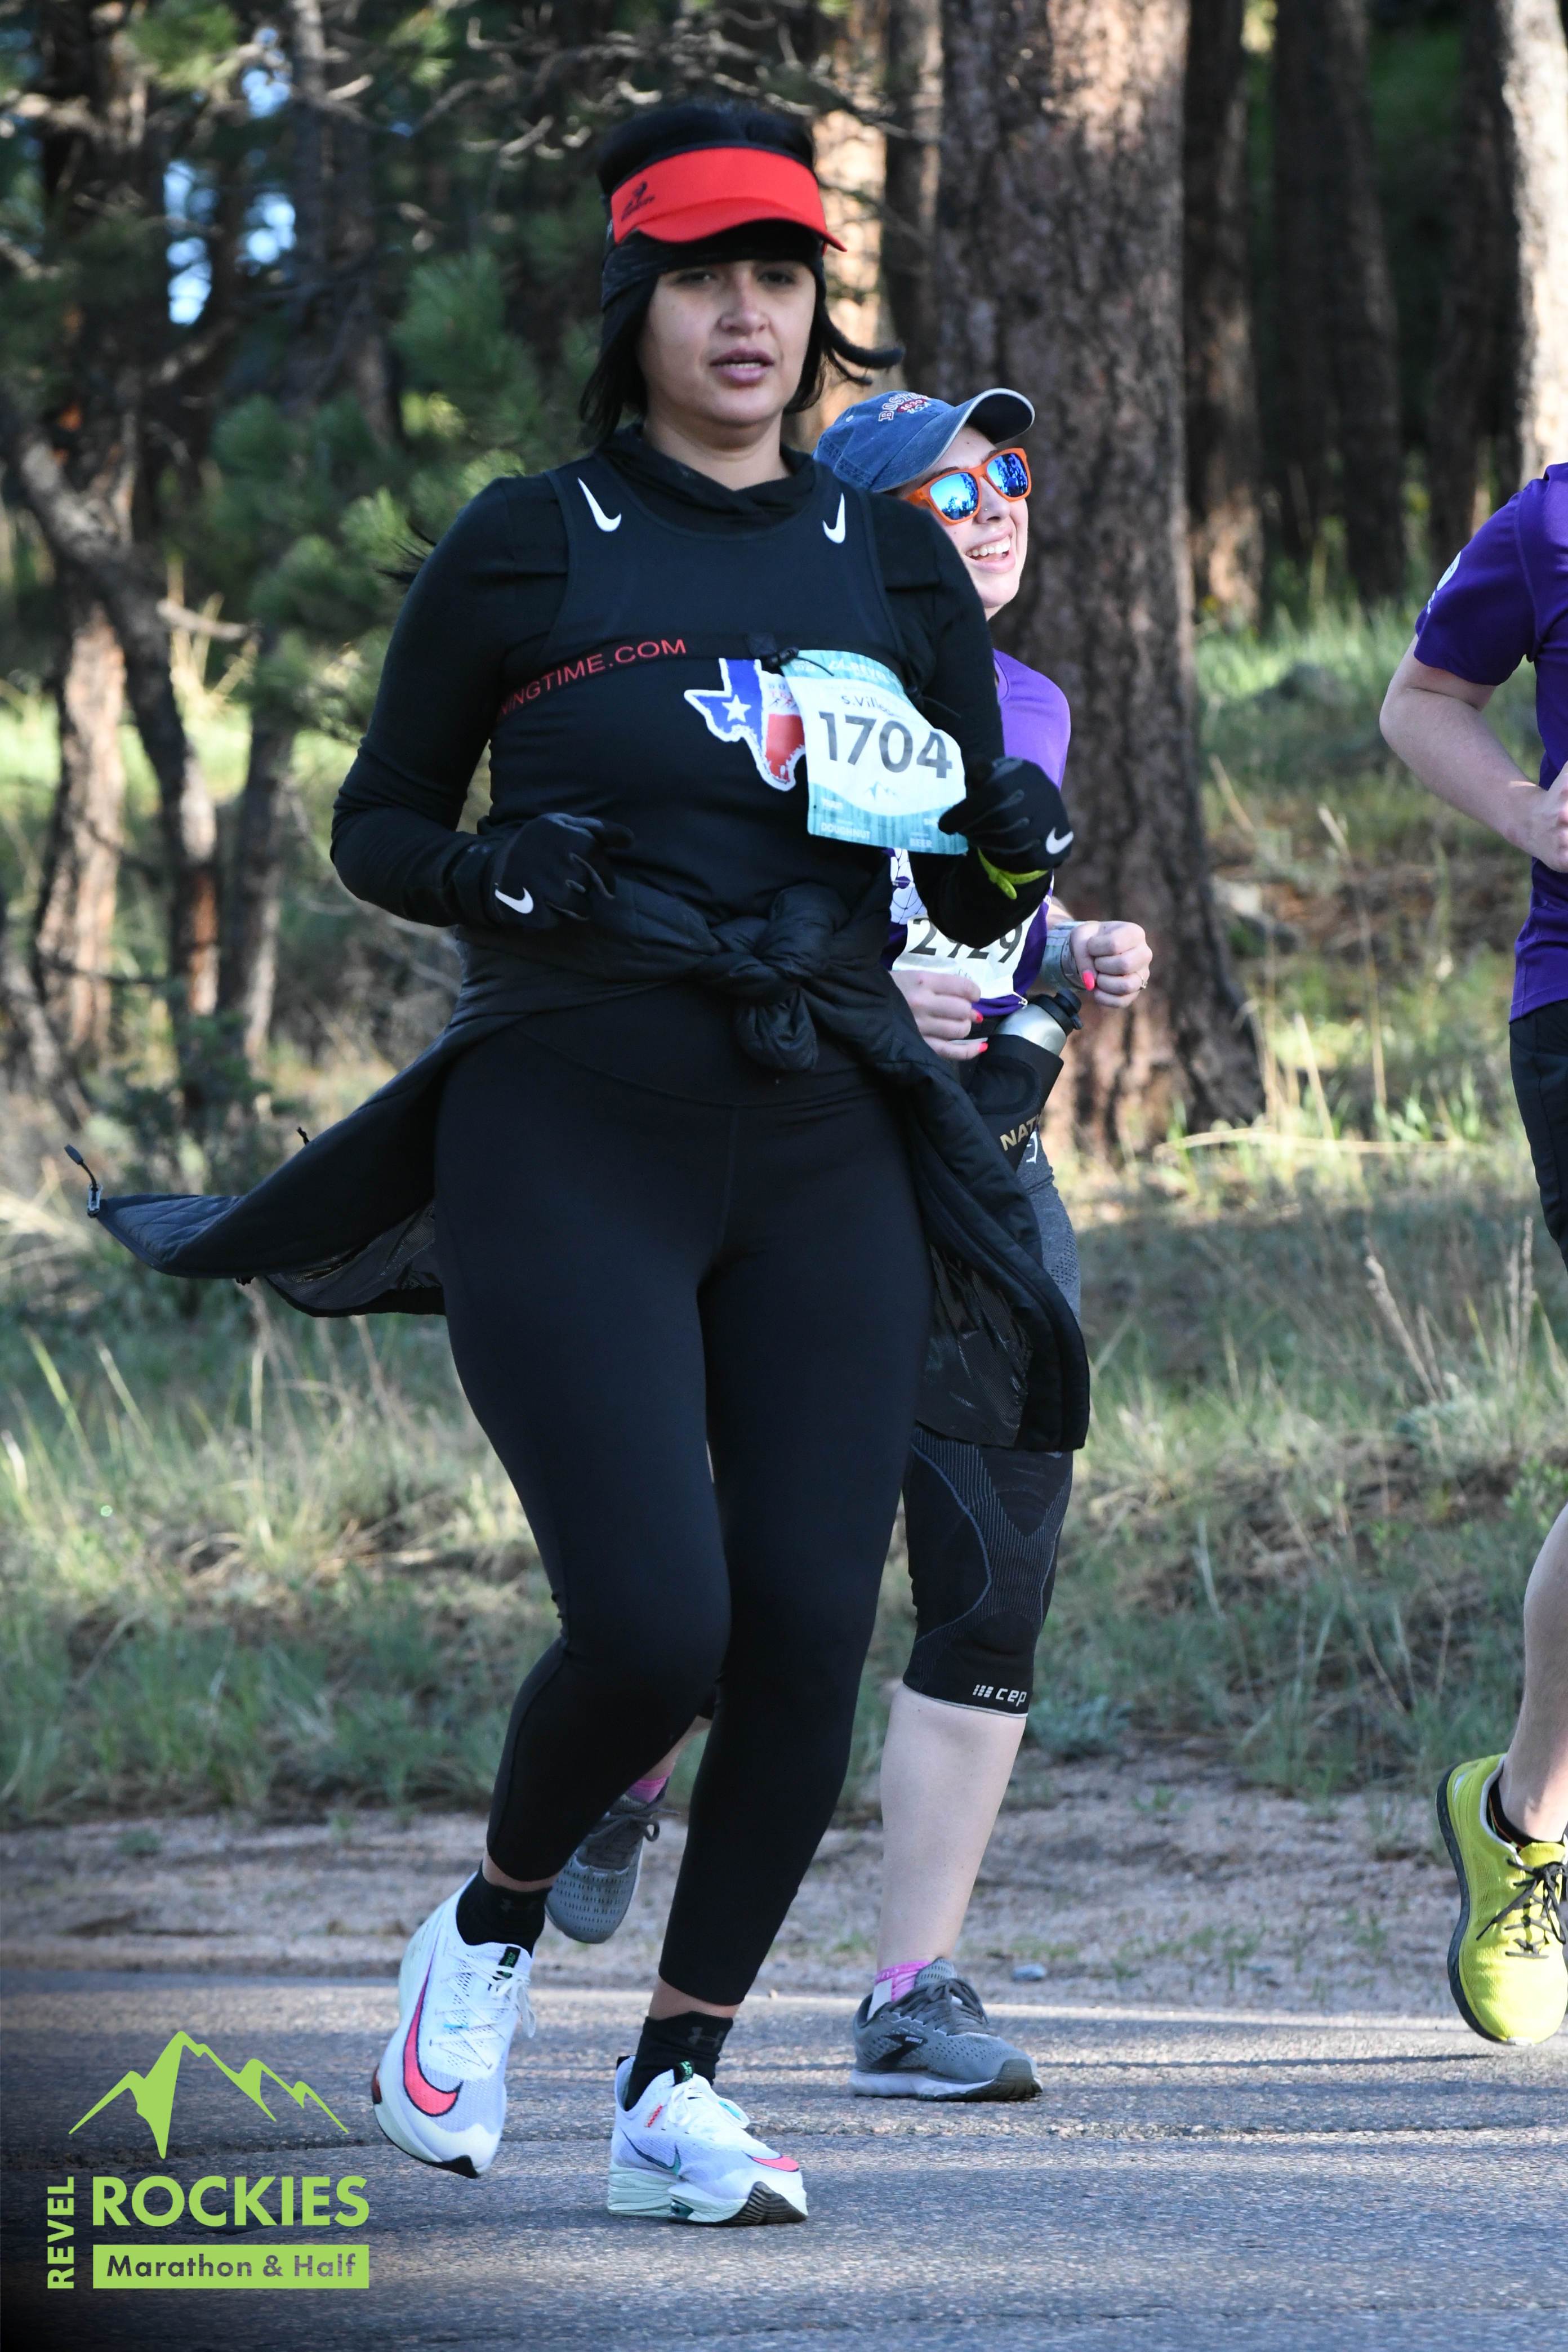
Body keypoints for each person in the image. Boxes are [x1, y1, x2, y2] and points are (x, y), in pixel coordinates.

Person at [81, 104, 1086, 2221]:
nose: (749, 314)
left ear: (817, 312)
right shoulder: (532, 541)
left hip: (825, 1131)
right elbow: (379, 826)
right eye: (706, 277)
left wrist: (1004, 854)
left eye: (782, 277)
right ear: (636, 307)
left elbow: (956, 881)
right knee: (655, 1622)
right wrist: (492, 869)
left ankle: (675, 2090)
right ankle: (490, 1929)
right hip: (570, 1121)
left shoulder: (890, 556)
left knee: (804, 1627)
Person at [546, 386, 1152, 2103]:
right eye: (951, 491)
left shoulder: (1026, 703)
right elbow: (711, 921)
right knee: (762, 1564)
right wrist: (869, 993)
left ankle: (912, 1989)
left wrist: (1073, 951)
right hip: (807, 1159)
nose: (996, 506)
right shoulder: (771, 695)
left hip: (986, 1172)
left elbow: (985, 919)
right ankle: (620, 1772)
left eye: (1010, 475)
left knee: (997, 1577)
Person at [1380, 464, 1568, 2047]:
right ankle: (1531, 1833)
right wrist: (1523, 810)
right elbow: (1423, 699)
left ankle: (1519, 1811)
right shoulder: (1555, 521)